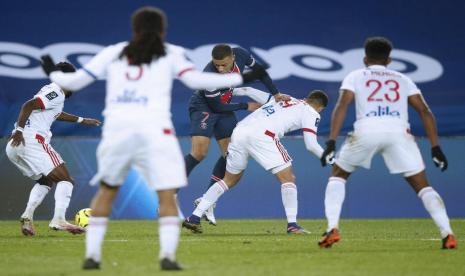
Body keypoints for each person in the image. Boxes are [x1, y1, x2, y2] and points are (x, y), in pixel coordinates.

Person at [40, 6, 265, 271]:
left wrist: (51, 72)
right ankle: (168, 256)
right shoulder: (171, 53)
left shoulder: (114, 52)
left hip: (118, 130)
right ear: (162, 30)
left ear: (134, 29)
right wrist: (243, 77)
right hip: (156, 131)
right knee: (167, 195)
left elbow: (76, 81)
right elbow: (195, 80)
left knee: (107, 191)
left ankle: (92, 256)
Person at [318, 37, 457, 249]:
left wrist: (331, 141)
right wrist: (435, 147)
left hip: (367, 130)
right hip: (399, 132)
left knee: (338, 175)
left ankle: (332, 228)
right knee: (422, 185)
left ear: (365, 59)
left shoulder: (355, 76)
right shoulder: (402, 78)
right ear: (389, 60)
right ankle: (448, 233)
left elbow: (342, 104)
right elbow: (425, 111)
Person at [183, 90, 329, 234]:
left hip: (240, 132)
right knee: (288, 179)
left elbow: (248, 90)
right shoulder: (312, 112)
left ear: (307, 97)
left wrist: (230, 91)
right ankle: (292, 224)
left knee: (229, 180)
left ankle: (194, 216)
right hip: (263, 136)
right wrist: (331, 160)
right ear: (321, 108)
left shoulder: (284, 97)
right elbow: (311, 144)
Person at [185, 44, 288, 225]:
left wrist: (276, 93)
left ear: (233, 57)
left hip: (224, 107)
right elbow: (216, 106)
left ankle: (207, 201)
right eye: (217, 65)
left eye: (224, 65)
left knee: (231, 153)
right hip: (204, 107)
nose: (220, 69)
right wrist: (245, 105)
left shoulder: (241, 55)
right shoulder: (209, 75)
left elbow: (261, 72)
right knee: (200, 152)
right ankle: (169, 194)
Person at [5, 62, 101, 236]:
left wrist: (82, 120)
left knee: (45, 181)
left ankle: (27, 216)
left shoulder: (51, 91)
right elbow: (28, 105)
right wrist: (19, 131)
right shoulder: (56, 91)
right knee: (66, 180)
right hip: (30, 141)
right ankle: (58, 219)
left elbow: (55, 113)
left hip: (15, 147)